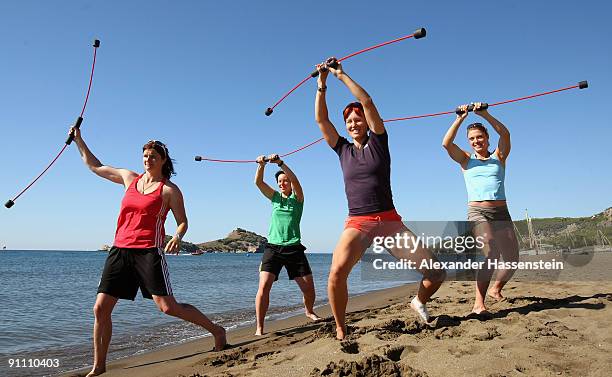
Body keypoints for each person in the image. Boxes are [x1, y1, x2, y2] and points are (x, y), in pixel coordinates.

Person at [69, 127, 226, 377]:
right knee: (100, 309)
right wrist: (79, 140)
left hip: (148, 253)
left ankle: (216, 330)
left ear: (163, 160)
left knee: (168, 307)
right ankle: (99, 365)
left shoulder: (169, 190)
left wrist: (177, 236)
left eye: (153, 156)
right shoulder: (129, 178)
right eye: (144, 155)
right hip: (119, 250)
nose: (147, 159)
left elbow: (183, 220)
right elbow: (95, 166)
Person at [314, 58, 446, 340]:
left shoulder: (379, 142)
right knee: (336, 273)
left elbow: (368, 101)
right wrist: (321, 86)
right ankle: (340, 327)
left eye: (357, 118)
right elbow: (321, 120)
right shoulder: (342, 150)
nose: (353, 123)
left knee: (436, 273)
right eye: (348, 121)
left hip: (388, 221)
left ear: (366, 121)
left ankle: (419, 301)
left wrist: (341, 75)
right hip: (358, 223)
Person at [442, 103, 519, 314]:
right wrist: (460, 118)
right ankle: (479, 303)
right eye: (472, 138)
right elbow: (446, 144)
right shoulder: (466, 160)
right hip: (477, 212)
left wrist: (485, 114)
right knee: (490, 252)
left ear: (487, 137)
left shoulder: (499, 157)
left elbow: (505, 133)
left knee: (512, 260)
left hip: (501, 213)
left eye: (480, 137)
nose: (476, 141)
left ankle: (496, 289)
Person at [254, 153, 321, 335]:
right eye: (280, 182)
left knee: (309, 290)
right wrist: (261, 166)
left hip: (294, 249)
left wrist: (281, 164)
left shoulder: (298, 199)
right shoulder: (275, 198)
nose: (283, 183)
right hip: (273, 248)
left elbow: (296, 181)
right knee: (264, 287)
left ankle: (309, 311)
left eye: (285, 181)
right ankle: (260, 327)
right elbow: (258, 183)